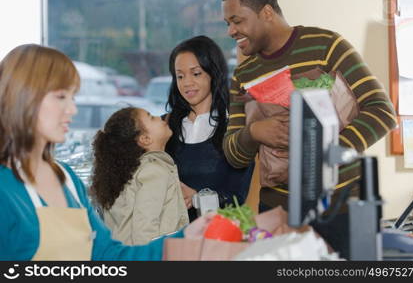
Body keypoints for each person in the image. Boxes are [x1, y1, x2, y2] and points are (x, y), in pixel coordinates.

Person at [221, 0, 397, 258]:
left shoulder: (326, 46)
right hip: (278, 213)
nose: (231, 31)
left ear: (267, 12)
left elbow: (381, 111)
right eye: (228, 23)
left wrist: (322, 153)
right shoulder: (243, 74)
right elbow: (233, 155)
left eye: (237, 20)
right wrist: (254, 132)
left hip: (341, 207)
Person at [0, 44, 212, 260]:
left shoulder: (66, 179)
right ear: (24, 98)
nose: (73, 109)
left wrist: (187, 238)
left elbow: (108, 256)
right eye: (61, 97)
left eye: (73, 97)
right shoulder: (4, 187)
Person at [165, 35, 254, 221]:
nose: (186, 83)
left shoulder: (235, 125)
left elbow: (237, 196)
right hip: (170, 238)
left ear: (213, 72)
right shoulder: (165, 127)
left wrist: (198, 198)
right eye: (180, 76)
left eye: (196, 73)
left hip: (218, 236)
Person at [90, 107, 189, 245]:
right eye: (152, 118)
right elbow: (145, 232)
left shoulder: (133, 171)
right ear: (145, 139)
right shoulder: (154, 171)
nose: (160, 118)